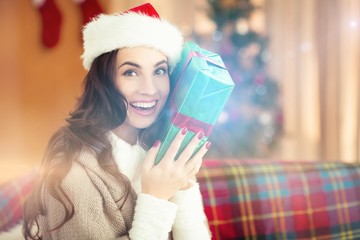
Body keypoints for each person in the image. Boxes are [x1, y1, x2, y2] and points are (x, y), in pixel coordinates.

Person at [22, 3, 212, 240]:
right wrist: (156, 198)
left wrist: (182, 188)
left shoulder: (164, 147)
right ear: (105, 81)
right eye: (130, 72)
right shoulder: (72, 170)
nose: (149, 89)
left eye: (159, 71)